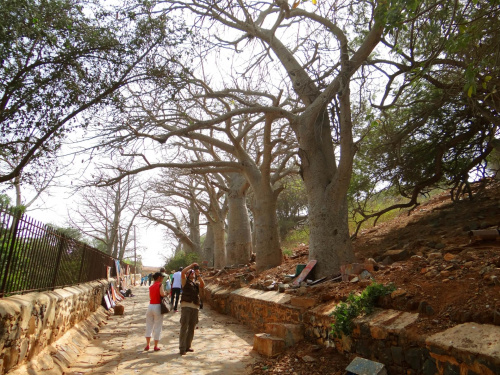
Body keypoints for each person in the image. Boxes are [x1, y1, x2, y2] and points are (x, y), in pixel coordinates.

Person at [178, 263, 204, 355]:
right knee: (184, 327)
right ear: (188, 275)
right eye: (191, 272)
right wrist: (191, 266)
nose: (192, 273)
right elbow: (183, 272)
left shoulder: (196, 283)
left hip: (195, 307)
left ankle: (188, 346)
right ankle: (182, 348)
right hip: (186, 306)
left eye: (193, 272)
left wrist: (198, 274)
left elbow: (202, 284)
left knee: (192, 328)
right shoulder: (185, 282)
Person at [144, 272, 168, 351]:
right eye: (162, 277)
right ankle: (155, 345)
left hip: (150, 306)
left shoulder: (151, 287)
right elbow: (161, 294)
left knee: (149, 326)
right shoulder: (160, 285)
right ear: (158, 277)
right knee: (158, 326)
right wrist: (166, 294)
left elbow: (150, 296)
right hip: (157, 306)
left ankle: (147, 344)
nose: (162, 278)